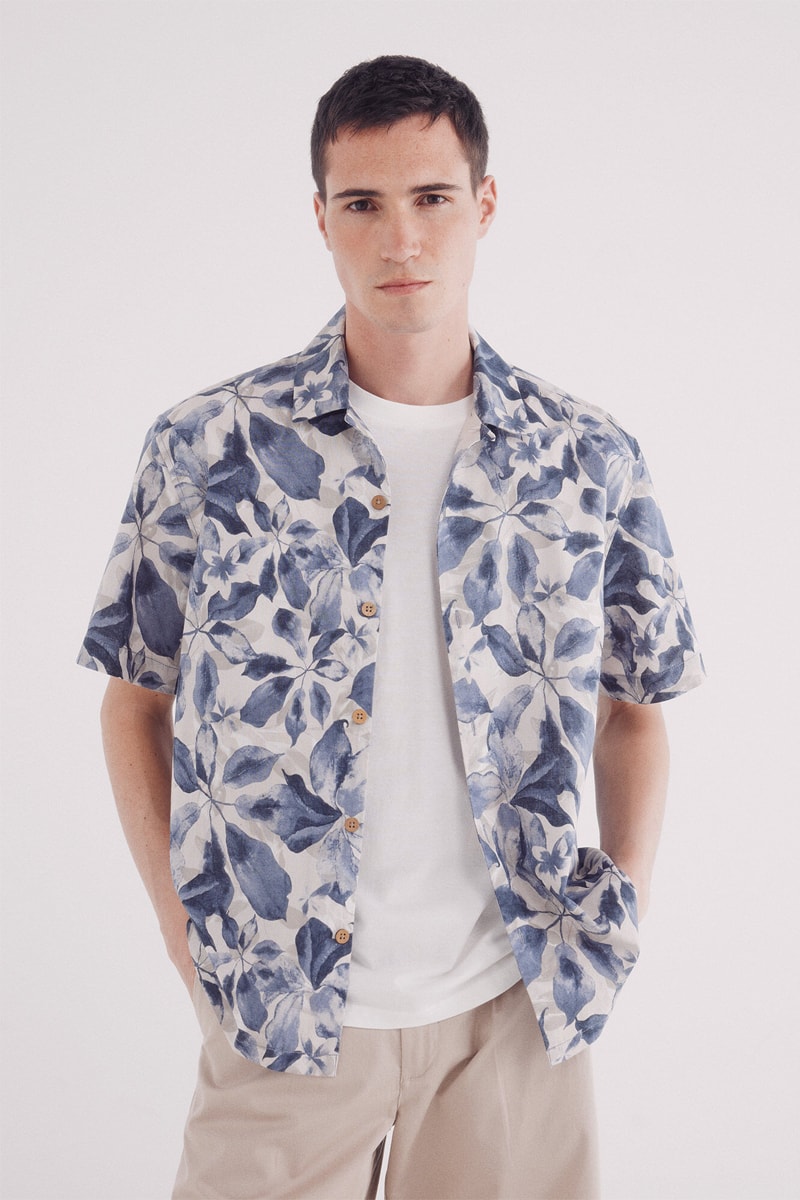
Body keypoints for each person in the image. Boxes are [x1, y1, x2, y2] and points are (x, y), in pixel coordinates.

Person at [79, 55, 704, 1200]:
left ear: (484, 203)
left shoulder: (583, 458)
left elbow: (636, 709)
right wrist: (185, 934)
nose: (400, 239)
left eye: (431, 198)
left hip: (511, 1016)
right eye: (362, 203)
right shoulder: (211, 447)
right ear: (319, 217)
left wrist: (621, 905)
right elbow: (134, 700)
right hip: (280, 1011)